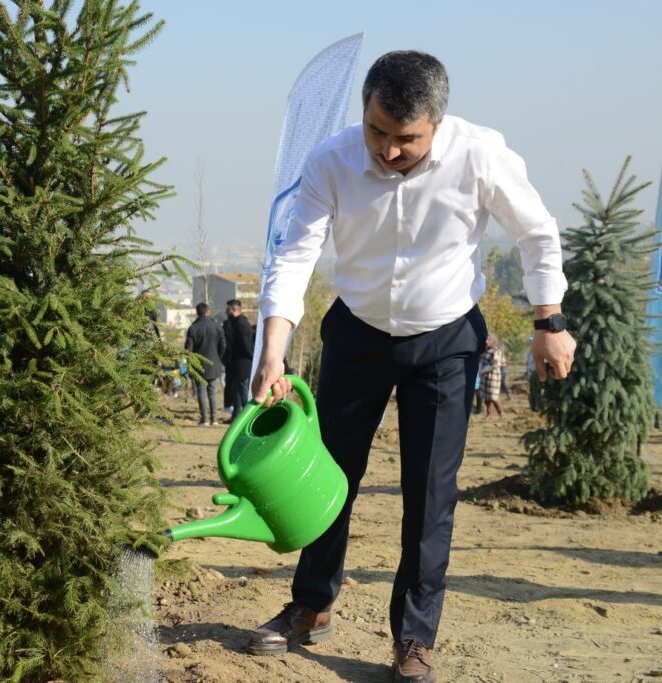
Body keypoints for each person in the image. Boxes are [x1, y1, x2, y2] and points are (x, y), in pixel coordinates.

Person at [247, 51, 576, 681]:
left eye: (407, 139)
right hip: (357, 335)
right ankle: (311, 605)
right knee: (328, 478)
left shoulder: (481, 155)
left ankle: (414, 636)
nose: (389, 151)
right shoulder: (331, 160)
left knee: (429, 495)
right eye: (377, 132)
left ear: (438, 124)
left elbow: (537, 231)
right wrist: (272, 352)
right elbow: (294, 257)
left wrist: (549, 321)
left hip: (444, 341)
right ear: (364, 110)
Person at [184, 303, 226, 426]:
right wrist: (218, 358)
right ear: (208, 311)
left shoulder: (193, 328)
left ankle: (204, 419)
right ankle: (214, 419)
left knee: (201, 392)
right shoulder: (216, 326)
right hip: (213, 363)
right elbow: (223, 345)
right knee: (212, 392)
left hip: (198, 365)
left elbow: (188, 350)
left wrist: (190, 363)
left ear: (197, 312)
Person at [222, 299, 255, 420]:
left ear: (235, 309)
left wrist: (252, 358)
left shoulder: (242, 324)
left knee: (243, 392)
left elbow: (247, 346)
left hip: (243, 364)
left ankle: (249, 417)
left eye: (228, 309)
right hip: (235, 364)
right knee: (236, 391)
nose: (226, 312)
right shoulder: (233, 323)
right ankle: (236, 415)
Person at [480, 334, 504, 418]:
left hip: (493, 376)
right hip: (484, 377)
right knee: (486, 396)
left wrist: (484, 370)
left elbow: (496, 364)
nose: (487, 342)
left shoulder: (496, 351)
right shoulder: (485, 350)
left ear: (494, 341)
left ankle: (501, 412)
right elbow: (481, 361)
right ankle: (489, 413)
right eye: (486, 340)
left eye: (489, 340)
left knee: (493, 396)